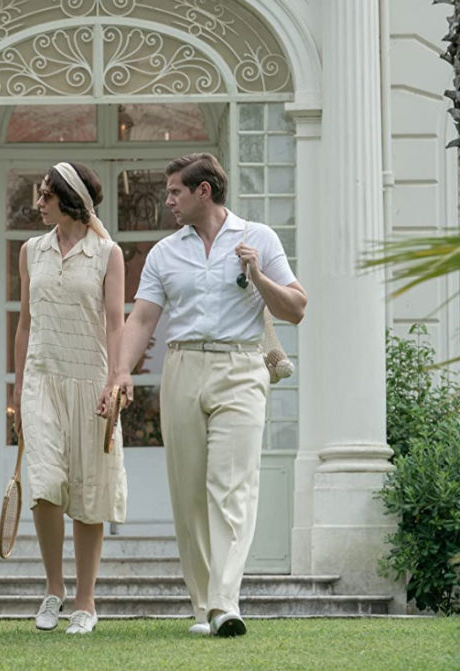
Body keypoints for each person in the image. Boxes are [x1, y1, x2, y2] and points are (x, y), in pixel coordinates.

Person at [116, 153, 307, 637]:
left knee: (232, 486)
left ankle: (225, 601)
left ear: (204, 192)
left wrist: (259, 276)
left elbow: (297, 308)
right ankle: (205, 606)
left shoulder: (258, 238)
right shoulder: (164, 252)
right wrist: (120, 373)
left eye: (175, 191)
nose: (168, 200)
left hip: (241, 367)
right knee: (189, 493)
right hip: (181, 367)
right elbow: (141, 320)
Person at [13, 162, 127, 635]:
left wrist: (116, 383)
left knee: (88, 490)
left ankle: (85, 599)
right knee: (43, 484)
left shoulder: (108, 253)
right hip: (42, 379)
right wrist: (18, 392)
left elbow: (117, 323)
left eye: (45, 196)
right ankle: (53, 590)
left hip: (91, 382)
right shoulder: (30, 251)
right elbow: (24, 324)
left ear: (68, 199)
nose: (38, 203)